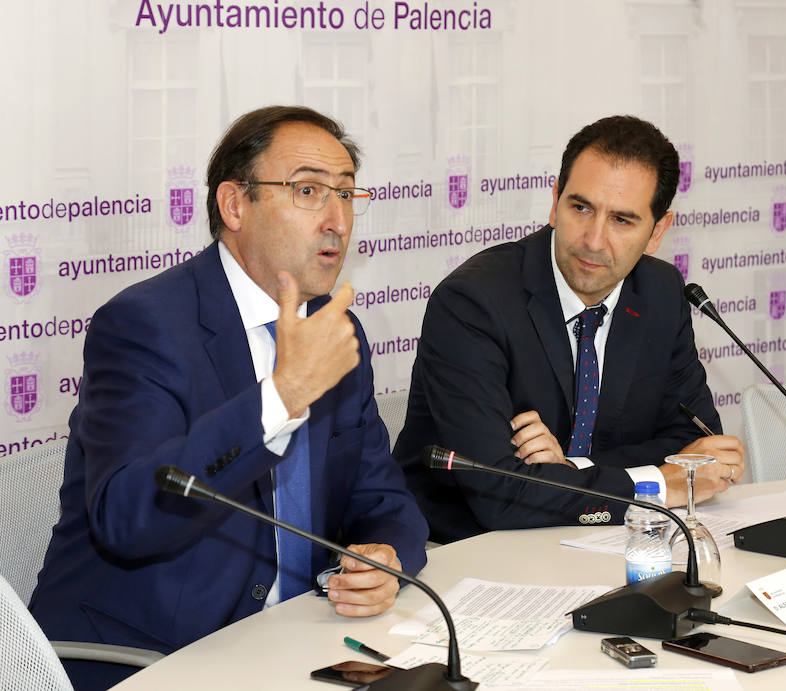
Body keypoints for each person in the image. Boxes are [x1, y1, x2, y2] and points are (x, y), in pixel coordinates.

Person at [29, 106, 429, 690]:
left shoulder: (334, 329)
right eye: (309, 191)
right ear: (235, 205)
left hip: (299, 643)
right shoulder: (145, 325)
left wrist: (386, 559)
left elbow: (384, 497)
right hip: (152, 659)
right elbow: (129, 518)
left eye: (346, 194)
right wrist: (281, 397)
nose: (337, 220)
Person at [394, 115, 744, 544]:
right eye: (580, 208)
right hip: (472, 551)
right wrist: (659, 483)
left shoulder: (660, 293)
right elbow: (500, 495)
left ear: (658, 232)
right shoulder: (473, 303)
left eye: (622, 220)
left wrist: (572, 468)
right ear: (554, 200)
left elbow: (694, 443)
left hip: (606, 539)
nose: (593, 241)